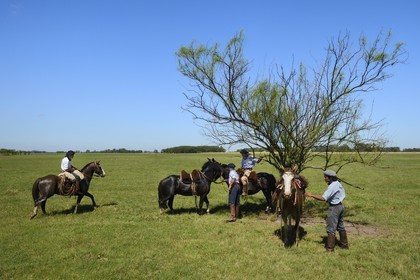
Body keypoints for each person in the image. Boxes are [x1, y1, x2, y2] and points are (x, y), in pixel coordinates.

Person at [305, 170, 349, 252]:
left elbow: (323, 198)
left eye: (325, 177)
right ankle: (344, 245)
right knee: (341, 227)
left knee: (331, 229)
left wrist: (311, 195)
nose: (324, 178)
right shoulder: (338, 183)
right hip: (340, 206)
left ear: (330, 177)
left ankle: (330, 249)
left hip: (334, 208)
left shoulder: (332, 186)